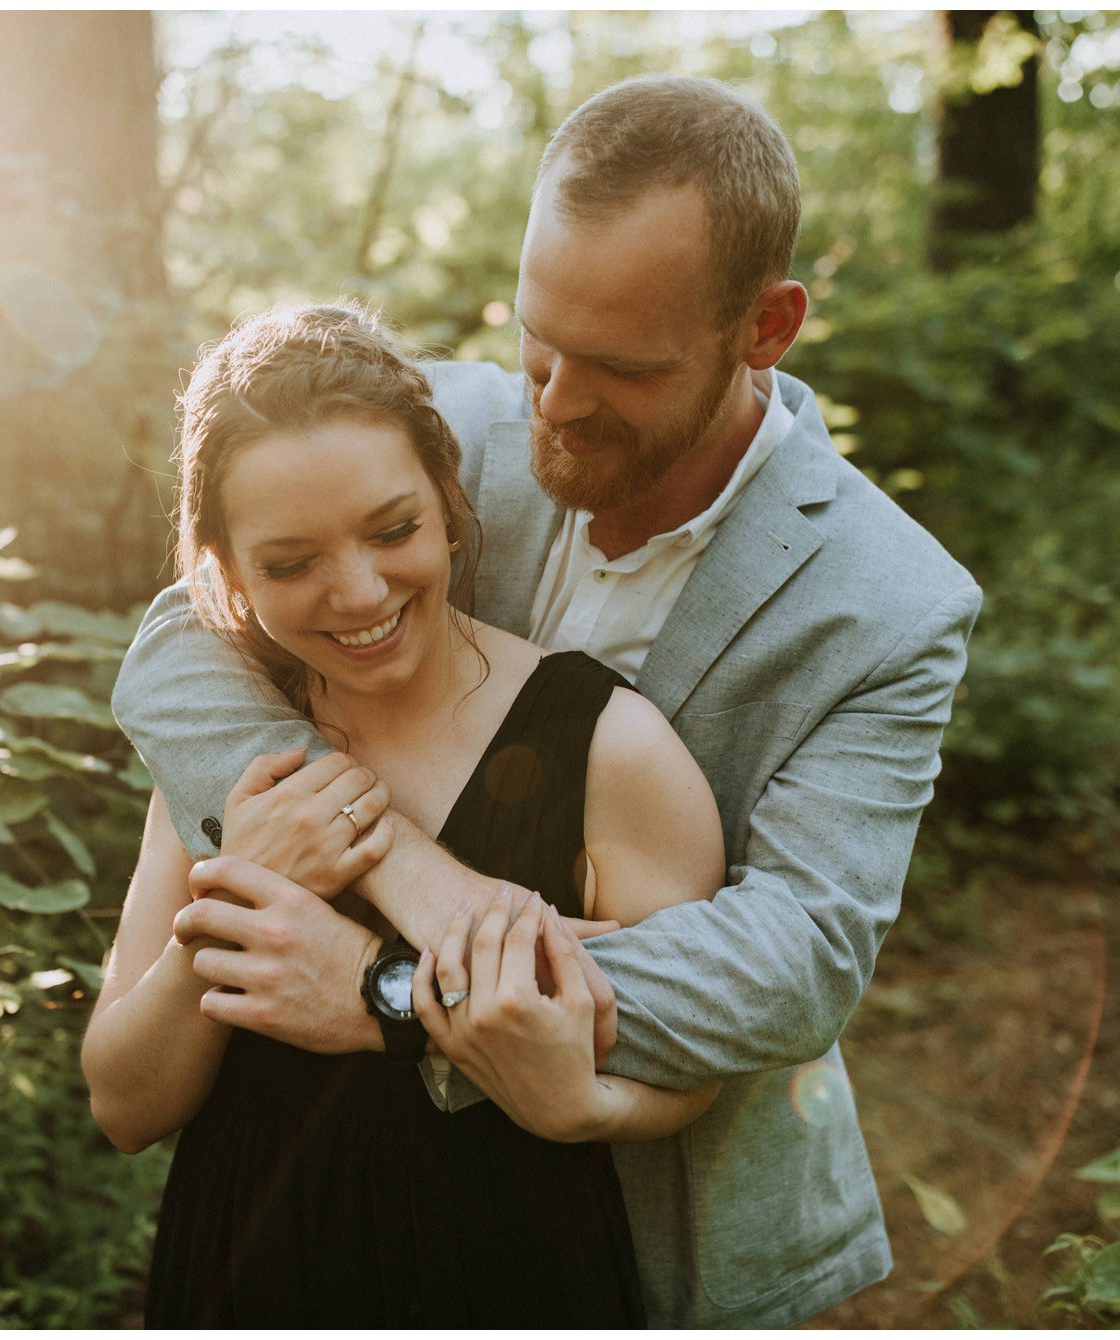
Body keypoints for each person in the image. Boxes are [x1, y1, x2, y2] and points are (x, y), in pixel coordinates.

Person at [110, 76, 981, 1327]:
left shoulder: (889, 602)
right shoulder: (441, 428)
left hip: (642, 1198)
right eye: (538, 337)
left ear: (764, 326)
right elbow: (174, 641)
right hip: (325, 1195)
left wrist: (394, 991)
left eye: (620, 364)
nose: (555, 402)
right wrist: (408, 868)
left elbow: (795, 962)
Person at [80, 303, 731, 1326]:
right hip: (247, 1259)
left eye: (393, 531)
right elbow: (124, 1106)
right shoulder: (231, 747)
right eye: (289, 564)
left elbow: (684, 1062)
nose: (357, 593)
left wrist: (404, 1013)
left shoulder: (613, 750)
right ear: (224, 570)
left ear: (449, 496)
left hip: (505, 1265)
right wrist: (234, 904)